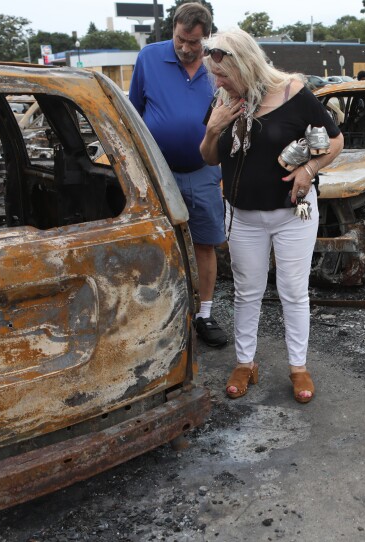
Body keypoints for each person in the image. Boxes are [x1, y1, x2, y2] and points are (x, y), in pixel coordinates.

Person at [199, 29, 344, 403]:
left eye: (224, 74)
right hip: (243, 215)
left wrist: (308, 171)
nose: (218, 81)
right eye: (215, 75)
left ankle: (298, 368)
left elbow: (335, 140)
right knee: (247, 292)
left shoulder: (293, 93)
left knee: (293, 292)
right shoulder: (223, 100)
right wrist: (213, 129)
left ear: (245, 65)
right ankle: (245, 363)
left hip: (292, 213)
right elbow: (210, 157)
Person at [129, 3, 228, 348]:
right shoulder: (149, 58)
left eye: (194, 43)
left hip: (204, 171)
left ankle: (205, 313)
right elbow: (134, 114)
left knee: (205, 241)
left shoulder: (220, 64)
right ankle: (161, 311)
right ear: (173, 29)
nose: (186, 48)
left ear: (207, 38)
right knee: (158, 242)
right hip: (160, 171)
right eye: (181, 40)